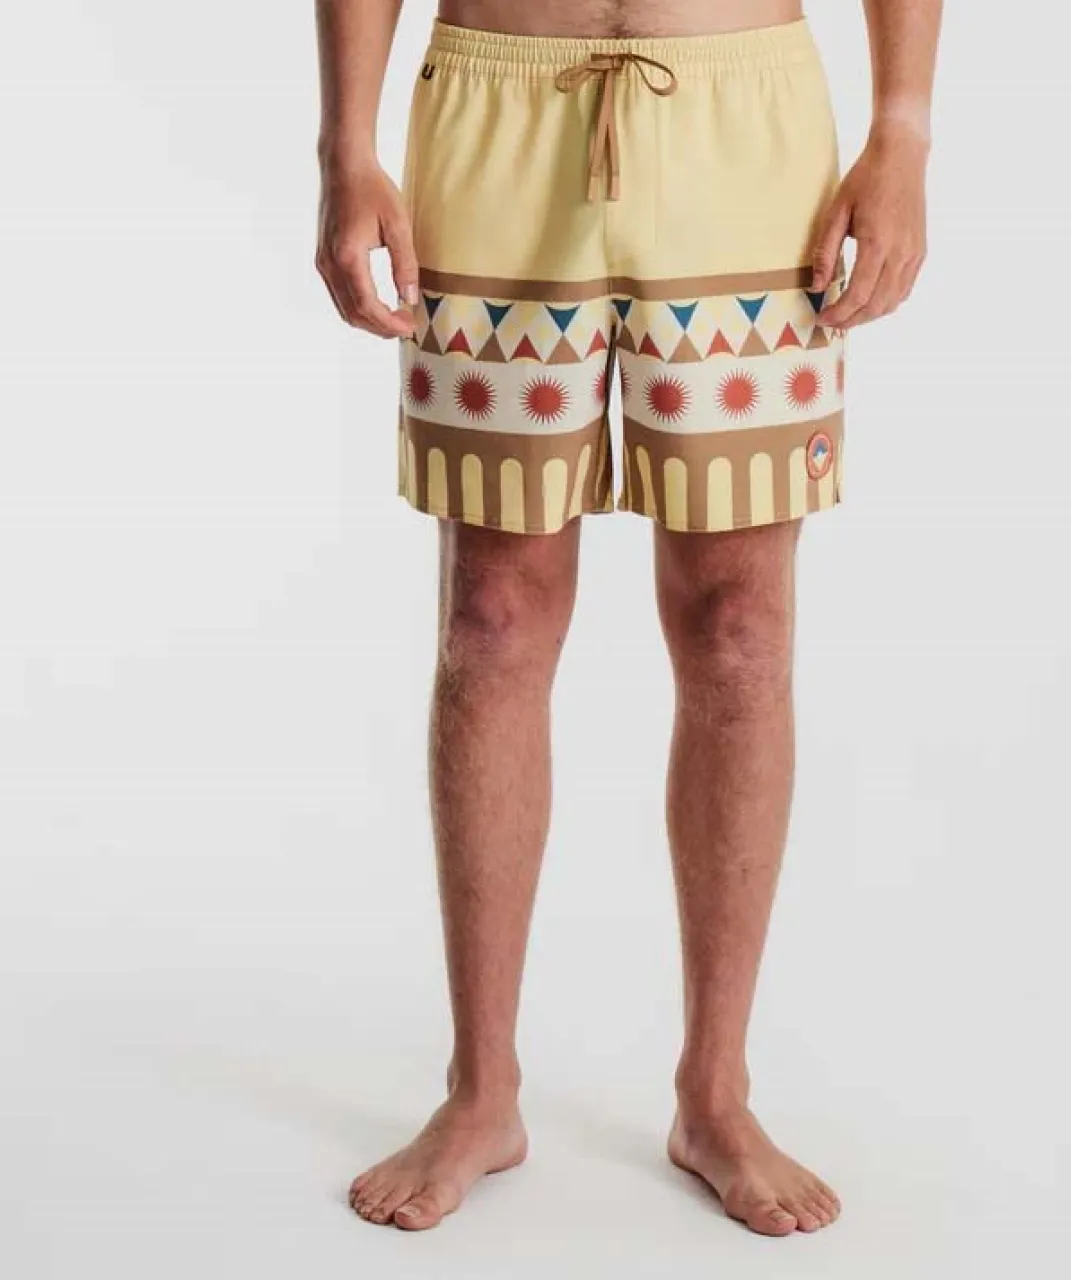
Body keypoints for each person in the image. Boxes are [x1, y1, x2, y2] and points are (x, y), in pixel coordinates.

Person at [314, 0, 940, 1238]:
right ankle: (480, 1089)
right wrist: (345, 146)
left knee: (740, 626)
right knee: (491, 614)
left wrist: (903, 132)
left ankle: (716, 1093)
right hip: (495, 114)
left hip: (744, 126)